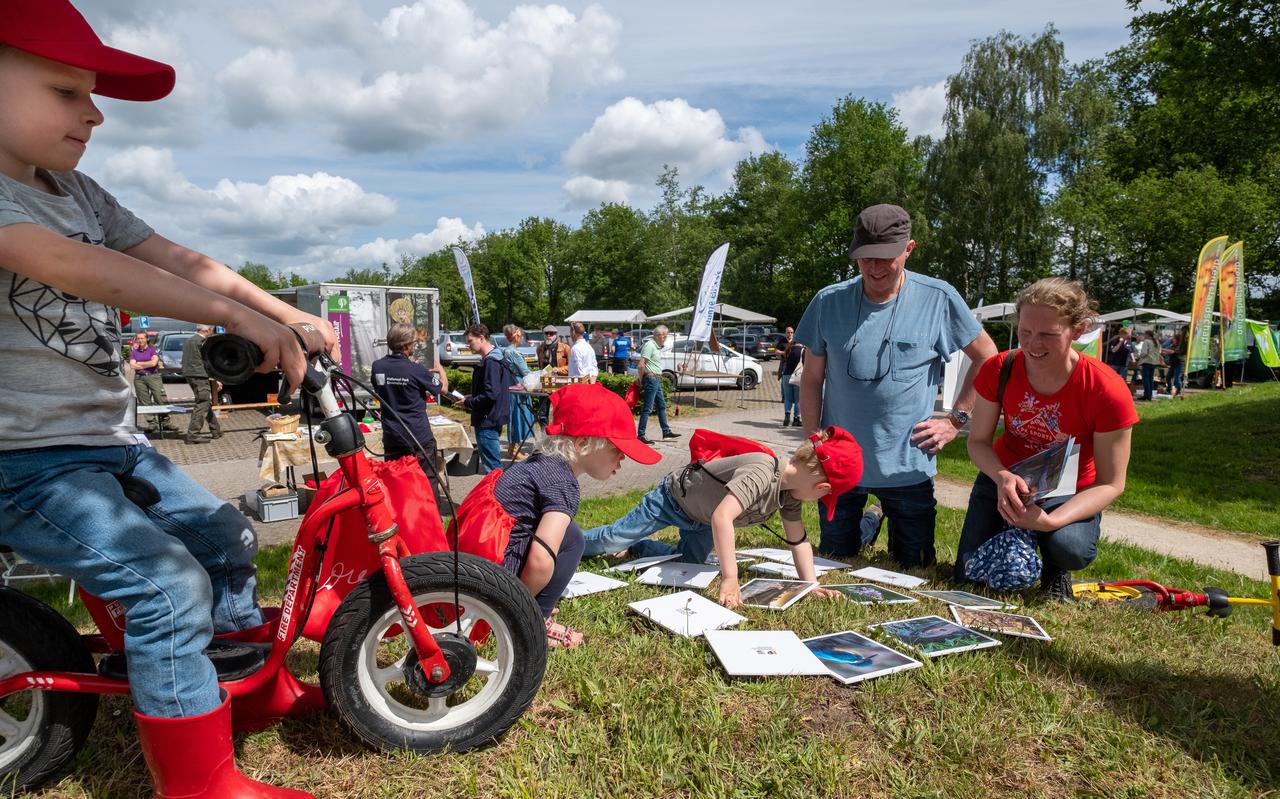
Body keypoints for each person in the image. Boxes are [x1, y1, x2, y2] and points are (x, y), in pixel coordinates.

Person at [0, 5, 334, 795]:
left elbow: (181, 260)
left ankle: (243, 698)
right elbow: (73, 268)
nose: (93, 112)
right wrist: (232, 316)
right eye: (64, 90)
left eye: (92, 93)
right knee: (164, 584)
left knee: (223, 537)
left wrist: (280, 310)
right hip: (25, 465)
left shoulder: (78, 191)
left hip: (111, 445)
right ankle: (199, 782)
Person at [795, 204, 997, 569]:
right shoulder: (828, 301)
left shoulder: (938, 298)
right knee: (836, 558)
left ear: (909, 249)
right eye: (865, 258)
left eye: (885, 258)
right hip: (841, 463)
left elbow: (988, 357)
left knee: (914, 565)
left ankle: (874, 519)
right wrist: (813, 438)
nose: (874, 269)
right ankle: (870, 521)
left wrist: (955, 420)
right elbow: (811, 378)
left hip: (908, 463)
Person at [955, 278, 1138, 599]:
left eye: (1048, 335)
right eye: (1025, 332)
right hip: (1005, 482)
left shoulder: (1105, 389)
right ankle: (1019, 534)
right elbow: (978, 441)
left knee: (1070, 548)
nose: (1032, 345)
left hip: (1070, 491)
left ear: (1077, 330)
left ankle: (1055, 566)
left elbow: (1111, 483)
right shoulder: (1001, 368)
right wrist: (1002, 478)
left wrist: (1051, 522)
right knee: (968, 575)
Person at [581, 427, 863, 608]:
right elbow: (722, 517)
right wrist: (731, 577)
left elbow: (798, 541)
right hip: (672, 500)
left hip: (701, 522)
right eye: (823, 498)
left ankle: (638, 548)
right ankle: (567, 542)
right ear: (822, 487)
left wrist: (810, 585)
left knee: (688, 566)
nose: (818, 500)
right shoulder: (764, 471)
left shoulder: (788, 494)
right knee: (610, 540)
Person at [484, 383, 660, 646]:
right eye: (616, 448)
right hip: (492, 586)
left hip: (482, 567)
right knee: (573, 540)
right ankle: (533, 622)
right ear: (583, 443)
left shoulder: (540, 462)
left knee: (570, 534)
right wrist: (519, 608)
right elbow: (541, 560)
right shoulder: (562, 483)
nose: (623, 458)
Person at [372, 323, 445, 494]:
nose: (415, 346)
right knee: (428, 480)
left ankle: (400, 518)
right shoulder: (416, 369)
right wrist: (442, 372)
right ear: (406, 345)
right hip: (418, 437)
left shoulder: (378, 366)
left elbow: (380, 389)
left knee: (396, 481)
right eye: (413, 343)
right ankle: (429, 518)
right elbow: (443, 389)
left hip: (392, 436)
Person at [461, 323, 511, 474]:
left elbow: (490, 394)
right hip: (493, 415)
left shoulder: (491, 362)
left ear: (481, 338)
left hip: (487, 418)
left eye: (470, 341)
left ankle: (499, 496)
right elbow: (492, 390)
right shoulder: (496, 356)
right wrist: (473, 396)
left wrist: (468, 402)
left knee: (492, 468)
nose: (468, 345)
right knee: (492, 464)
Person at [636, 325, 680, 445]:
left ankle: (666, 432)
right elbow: (641, 365)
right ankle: (640, 435)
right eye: (664, 335)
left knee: (661, 405)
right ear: (658, 335)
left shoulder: (656, 346)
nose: (665, 338)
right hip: (651, 378)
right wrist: (641, 380)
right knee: (648, 408)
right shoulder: (649, 345)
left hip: (656, 379)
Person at [129, 330, 177, 435]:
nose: (140, 340)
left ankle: (165, 422)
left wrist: (140, 364)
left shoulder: (152, 350)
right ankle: (152, 424)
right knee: (144, 401)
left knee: (160, 398)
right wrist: (147, 364)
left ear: (147, 339)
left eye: (142, 338)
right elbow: (132, 365)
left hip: (153, 377)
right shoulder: (134, 352)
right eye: (138, 338)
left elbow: (154, 362)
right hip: (139, 378)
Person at [180, 325, 221, 444]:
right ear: (208, 330)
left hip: (190, 374)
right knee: (202, 403)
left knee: (205, 402)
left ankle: (216, 430)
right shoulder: (202, 342)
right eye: (212, 331)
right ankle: (193, 434)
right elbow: (207, 361)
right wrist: (215, 377)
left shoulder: (189, 340)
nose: (211, 333)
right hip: (199, 375)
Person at [499, 323, 535, 461]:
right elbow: (525, 372)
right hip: (518, 388)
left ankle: (512, 448)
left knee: (517, 417)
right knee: (518, 418)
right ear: (516, 336)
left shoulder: (507, 351)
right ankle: (514, 448)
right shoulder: (512, 352)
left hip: (513, 387)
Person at [777, 326, 804, 427]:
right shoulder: (802, 350)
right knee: (798, 399)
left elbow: (780, 354)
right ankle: (796, 419)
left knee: (788, 398)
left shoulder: (788, 349)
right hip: (797, 376)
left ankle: (787, 416)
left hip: (786, 375)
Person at [1135, 329, 1162, 401]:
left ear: (1147, 335)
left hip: (1147, 362)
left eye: (1144, 334)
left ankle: (1147, 395)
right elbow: (1159, 352)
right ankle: (1148, 396)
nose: (1144, 336)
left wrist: (1138, 357)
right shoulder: (1157, 342)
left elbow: (1144, 352)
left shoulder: (1146, 342)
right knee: (1150, 379)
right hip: (1154, 363)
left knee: (1145, 380)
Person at [1162, 328, 1185, 397]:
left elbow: (1172, 351)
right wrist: (1162, 352)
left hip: (1179, 364)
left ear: (1177, 340)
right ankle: (1169, 389)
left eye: (1174, 338)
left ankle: (1179, 391)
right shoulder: (1172, 345)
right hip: (1173, 364)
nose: (1172, 339)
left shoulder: (1180, 346)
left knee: (1177, 378)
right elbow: (1168, 352)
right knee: (1168, 377)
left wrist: (1161, 349)